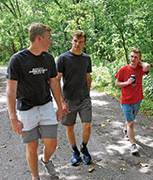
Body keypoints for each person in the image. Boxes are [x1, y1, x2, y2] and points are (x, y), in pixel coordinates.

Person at [6, 22, 63, 180]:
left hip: (45, 106)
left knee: (51, 143)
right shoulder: (17, 60)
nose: (50, 41)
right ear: (39, 38)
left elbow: (54, 82)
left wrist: (59, 105)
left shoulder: (49, 58)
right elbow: (10, 90)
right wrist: (13, 117)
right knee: (32, 147)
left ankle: (45, 160)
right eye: (49, 38)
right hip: (26, 110)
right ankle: (35, 177)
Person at [56, 30, 92, 166]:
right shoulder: (63, 58)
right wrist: (61, 101)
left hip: (84, 99)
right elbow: (56, 80)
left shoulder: (86, 58)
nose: (77, 44)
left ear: (84, 43)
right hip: (69, 99)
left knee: (87, 126)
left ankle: (84, 147)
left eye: (80, 42)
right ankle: (75, 152)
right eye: (75, 41)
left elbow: (88, 77)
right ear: (71, 40)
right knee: (69, 127)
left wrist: (87, 93)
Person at [115, 48, 150, 154]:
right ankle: (133, 145)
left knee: (130, 120)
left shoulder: (140, 69)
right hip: (126, 101)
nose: (133, 59)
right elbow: (117, 84)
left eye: (136, 57)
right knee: (131, 123)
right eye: (131, 56)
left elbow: (147, 66)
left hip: (137, 100)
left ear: (139, 59)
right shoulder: (123, 70)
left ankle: (125, 130)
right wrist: (127, 83)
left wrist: (140, 62)